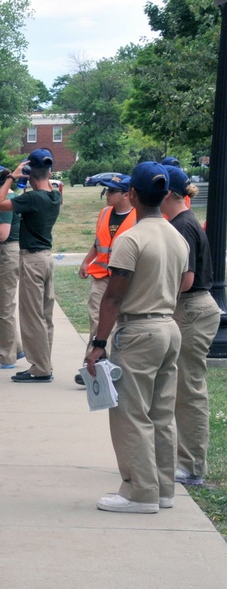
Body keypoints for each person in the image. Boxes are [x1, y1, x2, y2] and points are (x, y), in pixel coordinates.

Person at [86, 162, 188, 513]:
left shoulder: (131, 238)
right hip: (169, 328)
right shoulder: (177, 236)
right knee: (162, 413)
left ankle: (140, 492)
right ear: (164, 194)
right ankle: (163, 490)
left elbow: (112, 297)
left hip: (139, 331)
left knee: (131, 413)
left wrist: (98, 344)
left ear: (132, 194)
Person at [163, 167, 221, 487]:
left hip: (192, 310)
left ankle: (192, 465)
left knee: (189, 391)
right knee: (180, 389)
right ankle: (182, 459)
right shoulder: (183, 221)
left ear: (167, 194)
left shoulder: (182, 227)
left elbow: (185, 281)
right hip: (192, 310)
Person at [0, 148, 63, 383]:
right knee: (45, 315)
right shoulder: (55, 196)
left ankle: (40, 368)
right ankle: (45, 361)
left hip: (32, 259)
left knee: (32, 316)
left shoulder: (32, 198)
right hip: (46, 258)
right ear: (50, 171)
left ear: (30, 172)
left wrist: (12, 177)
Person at [75, 173, 134, 386]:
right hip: (101, 277)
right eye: (106, 190)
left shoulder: (138, 217)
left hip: (125, 279)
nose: (106, 194)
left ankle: (107, 365)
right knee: (97, 320)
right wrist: (86, 261)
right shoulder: (104, 213)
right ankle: (94, 366)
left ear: (127, 194)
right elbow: (97, 242)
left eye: (111, 191)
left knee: (120, 323)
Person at [0, 165, 22, 370]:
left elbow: (1, 234)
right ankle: (15, 348)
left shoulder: (7, 198)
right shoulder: (8, 195)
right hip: (6, 253)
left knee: (2, 308)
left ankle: (4, 356)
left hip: (7, 253)